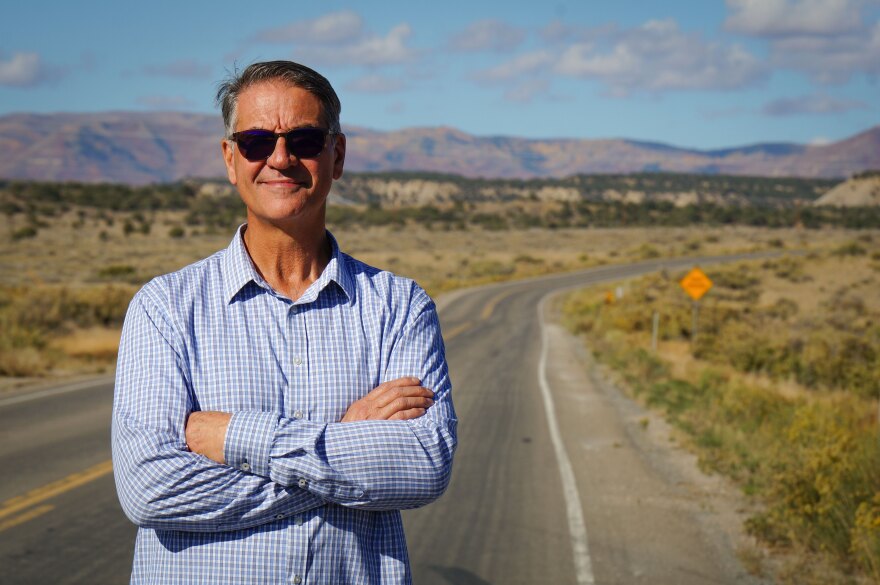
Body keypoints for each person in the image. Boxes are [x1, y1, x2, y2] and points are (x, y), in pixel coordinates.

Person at [111, 60, 457, 585]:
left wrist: (237, 439)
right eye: (254, 141)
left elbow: (424, 465)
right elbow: (149, 488)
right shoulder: (165, 308)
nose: (279, 158)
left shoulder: (399, 306)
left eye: (304, 139)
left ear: (336, 155)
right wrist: (343, 442)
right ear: (230, 159)